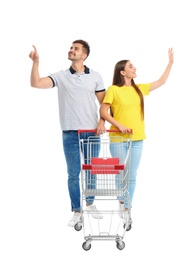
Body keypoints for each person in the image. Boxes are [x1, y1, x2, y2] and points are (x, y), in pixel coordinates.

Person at [29, 39, 106, 227]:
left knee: (91, 172)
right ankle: (77, 210)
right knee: (73, 173)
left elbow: (104, 104)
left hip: (92, 132)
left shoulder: (95, 76)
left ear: (84, 55)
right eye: (71, 48)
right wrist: (36, 63)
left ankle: (90, 203)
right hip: (70, 132)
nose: (71, 50)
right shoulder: (61, 76)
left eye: (76, 49)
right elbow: (36, 83)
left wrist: (102, 121)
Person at [100, 48, 174, 222]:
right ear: (123, 72)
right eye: (131, 66)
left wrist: (170, 63)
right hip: (118, 139)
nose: (135, 68)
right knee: (120, 174)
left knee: (131, 176)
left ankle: (127, 207)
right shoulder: (113, 90)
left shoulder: (139, 89)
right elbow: (104, 111)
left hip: (137, 139)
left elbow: (161, 82)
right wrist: (119, 125)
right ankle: (121, 201)